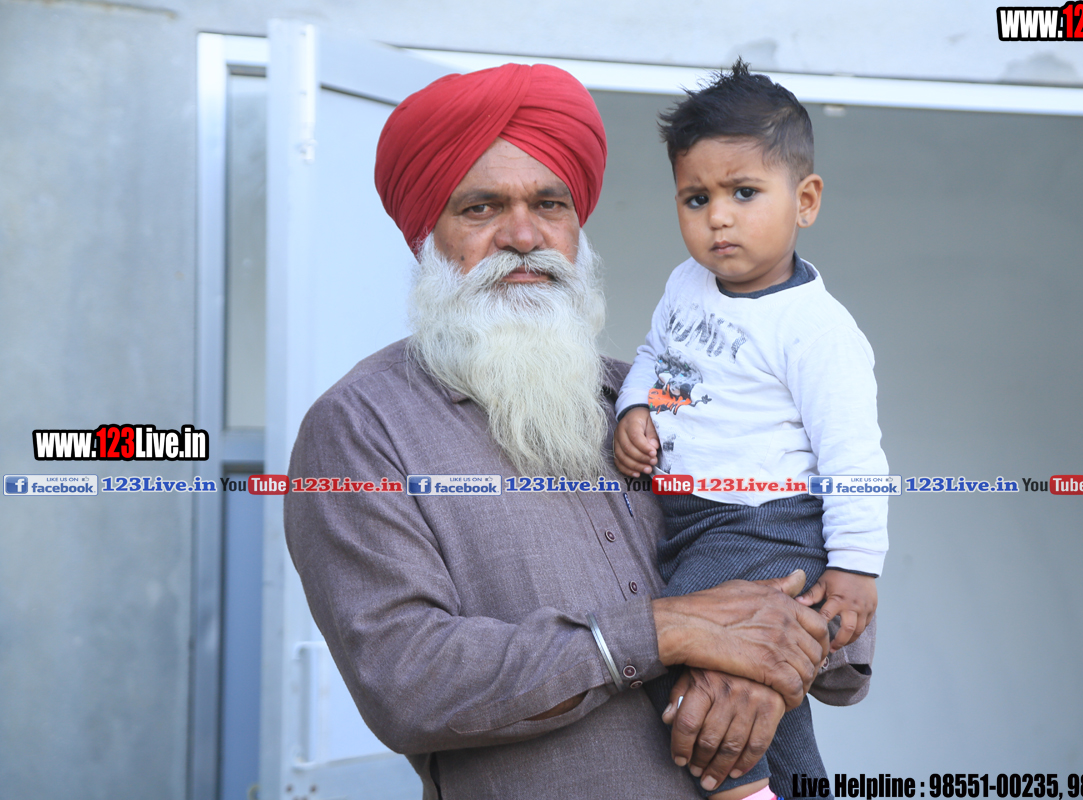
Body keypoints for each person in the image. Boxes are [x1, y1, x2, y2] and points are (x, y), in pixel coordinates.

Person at [285, 62, 869, 800]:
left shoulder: (650, 398)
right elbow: (407, 682)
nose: (524, 235)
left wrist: (759, 664)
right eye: (481, 208)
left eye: (550, 204)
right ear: (426, 235)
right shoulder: (362, 428)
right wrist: (665, 632)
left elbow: (812, 557)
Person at [613, 60, 888, 800]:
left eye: (743, 192)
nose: (718, 217)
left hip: (765, 523)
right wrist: (635, 407)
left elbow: (854, 456)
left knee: (675, 640)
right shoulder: (685, 284)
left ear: (805, 201)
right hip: (692, 519)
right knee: (768, 682)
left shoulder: (815, 329)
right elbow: (655, 356)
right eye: (695, 197)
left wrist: (857, 566)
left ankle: (744, 792)